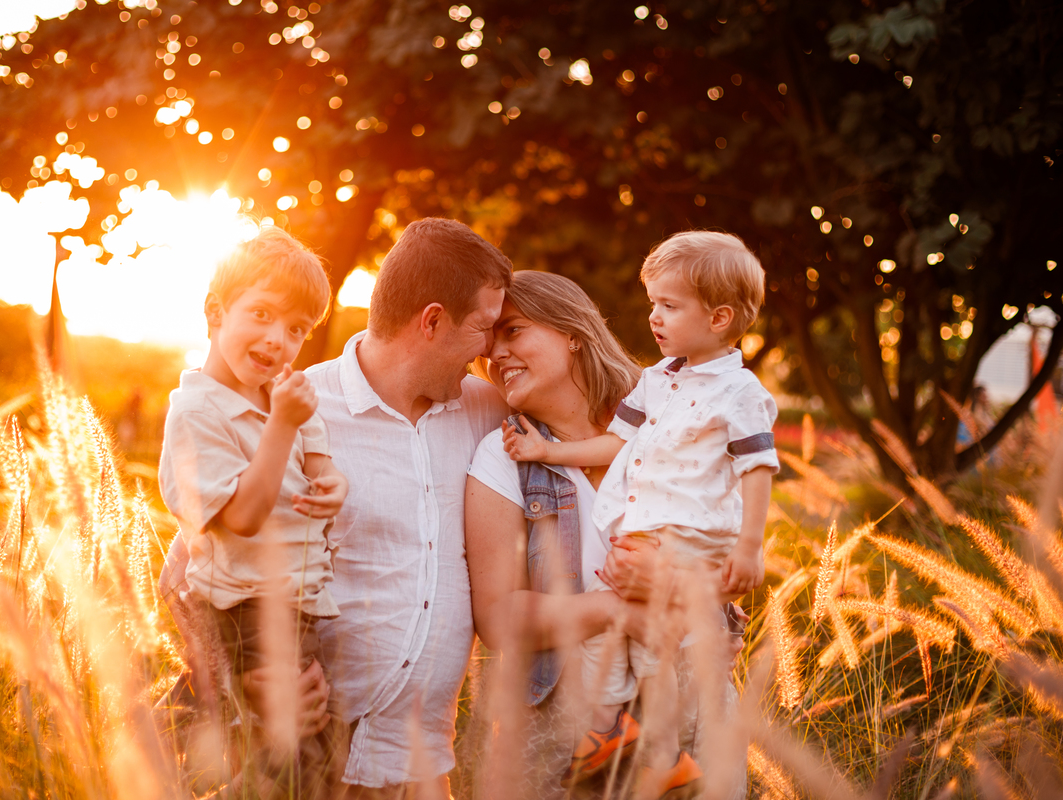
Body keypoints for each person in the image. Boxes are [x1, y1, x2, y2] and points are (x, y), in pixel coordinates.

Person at [500, 232, 778, 796]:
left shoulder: (740, 392)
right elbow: (616, 446)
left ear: (720, 317)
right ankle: (607, 733)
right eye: (653, 302)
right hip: (648, 536)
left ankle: (663, 755)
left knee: (656, 640)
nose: (654, 316)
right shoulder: (656, 381)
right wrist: (547, 453)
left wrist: (750, 547)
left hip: (694, 534)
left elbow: (758, 468)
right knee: (613, 631)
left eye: (669, 306)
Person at [302, 217, 513, 799]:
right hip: (308, 765)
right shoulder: (296, 410)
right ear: (432, 321)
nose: (492, 349)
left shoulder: (489, 413)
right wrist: (253, 676)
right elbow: (188, 573)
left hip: (422, 769)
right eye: (484, 328)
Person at [157, 227, 350, 796]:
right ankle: (160, 743)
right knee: (300, 762)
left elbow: (321, 460)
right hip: (247, 610)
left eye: (296, 329)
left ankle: (167, 736)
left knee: (301, 752)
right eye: (262, 314)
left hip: (301, 604)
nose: (277, 340)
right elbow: (242, 516)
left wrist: (330, 483)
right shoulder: (196, 412)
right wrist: (282, 425)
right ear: (216, 313)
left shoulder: (279, 394)